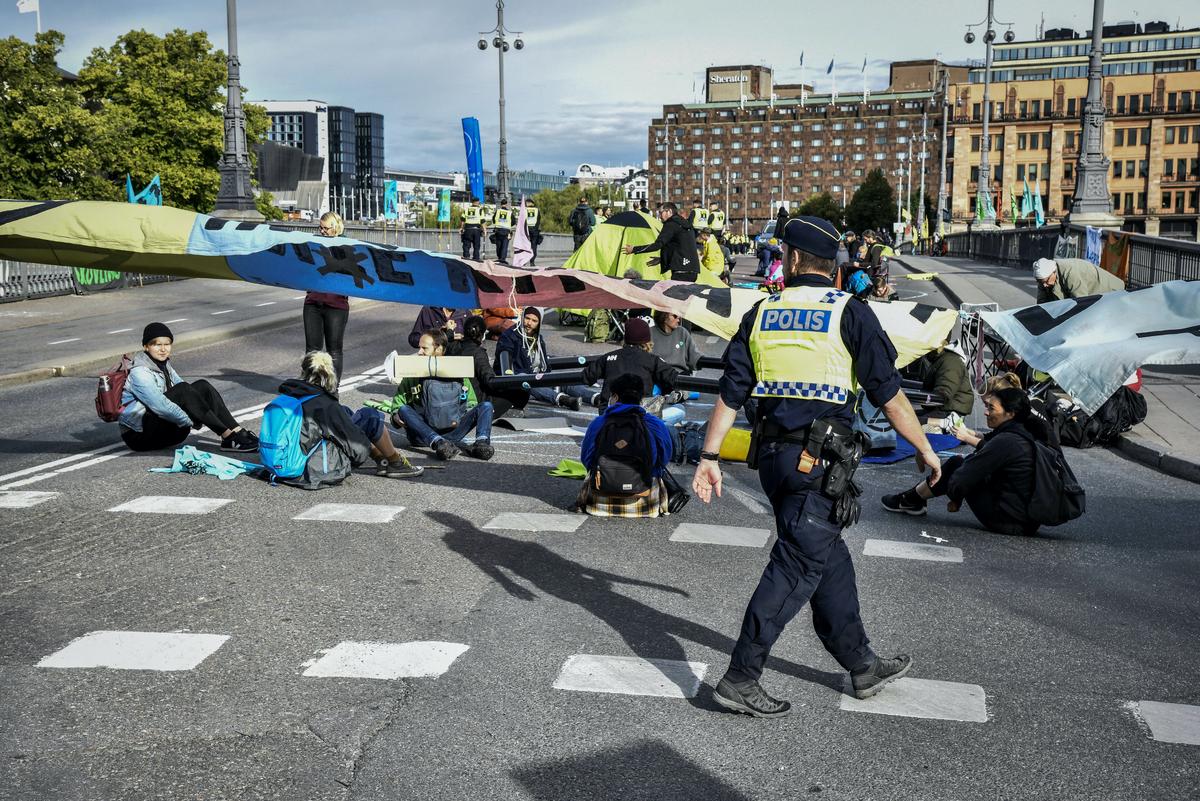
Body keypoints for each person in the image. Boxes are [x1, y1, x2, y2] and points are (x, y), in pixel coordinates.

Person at [690, 215, 943, 719]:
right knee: (797, 566)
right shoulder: (851, 312)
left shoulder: (762, 311)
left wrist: (710, 456)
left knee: (828, 559)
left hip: (772, 462)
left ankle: (862, 664)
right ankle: (741, 677)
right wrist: (924, 448)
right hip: (820, 463)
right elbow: (888, 395)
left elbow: (731, 391)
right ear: (831, 267)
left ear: (797, 260)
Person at [882, 388, 1049, 536]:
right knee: (965, 464)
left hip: (1009, 522)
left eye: (991, 408)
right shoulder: (1024, 432)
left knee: (957, 463)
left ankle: (908, 500)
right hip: (1028, 520)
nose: (985, 412)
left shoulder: (1007, 441)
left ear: (1010, 413)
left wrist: (956, 498)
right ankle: (912, 499)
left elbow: (963, 476)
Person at [119, 322, 259, 453]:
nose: (163, 349)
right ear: (146, 347)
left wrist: (197, 410)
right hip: (139, 436)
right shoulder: (140, 372)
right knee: (183, 390)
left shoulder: (163, 364)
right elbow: (160, 406)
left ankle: (238, 431)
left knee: (202, 386)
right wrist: (191, 420)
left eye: (167, 344)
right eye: (157, 345)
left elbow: (189, 391)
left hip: (163, 430)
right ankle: (228, 436)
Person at [283, 350, 422, 479]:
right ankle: (395, 462)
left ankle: (383, 461)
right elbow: (357, 449)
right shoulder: (324, 403)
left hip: (293, 454)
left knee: (344, 411)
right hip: (314, 463)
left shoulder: (293, 393)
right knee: (371, 416)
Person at [576, 374, 675, 518]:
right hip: (646, 503)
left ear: (614, 397)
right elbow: (664, 457)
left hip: (599, 501)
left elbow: (587, 458)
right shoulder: (654, 424)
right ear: (641, 399)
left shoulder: (599, 423)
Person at [390, 329, 494, 460]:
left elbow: (472, 403)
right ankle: (438, 442)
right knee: (403, 409)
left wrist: (455, 410)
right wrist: (395, 417)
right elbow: (397, 406)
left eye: (424, 348)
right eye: (419, 348)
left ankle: (481, 443)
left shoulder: (457, 371)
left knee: (486, 406)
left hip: (453, 431)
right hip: (422, 436)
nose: (419, 352)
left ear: (439, 349)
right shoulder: (413, 373)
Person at [494, 307, 598, 410]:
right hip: (518, 378)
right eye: (527, 318)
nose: (529, 323)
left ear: (539, 323)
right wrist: (509, 375)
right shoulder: (509, 336)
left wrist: (551, 379)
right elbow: (505, 356)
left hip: (535, 375)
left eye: (534, 320)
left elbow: (544, 366)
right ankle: (564, 400)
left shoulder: (539, 339)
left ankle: (596, 398)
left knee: (560, 380)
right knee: (528, 380)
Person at [581, 317, 679, 412]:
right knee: (679, 410)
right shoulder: (653, 360)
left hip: (608, 417)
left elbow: (586, 376)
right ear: (647, 340)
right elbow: (674, 379)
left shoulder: (608, 358)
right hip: (639, 419)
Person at [450, 315, 528, 420]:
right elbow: (489, 380)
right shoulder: (478, 353)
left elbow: (443, 340)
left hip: (455, 396)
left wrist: (450, 333)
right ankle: (500, 411)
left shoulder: (452, 347)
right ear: (482, 335)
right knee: (521, 391)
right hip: (476, 400)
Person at [304, 211, 350, 379]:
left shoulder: (346, 247)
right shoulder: (315, 245)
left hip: (336, 305)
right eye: (320, 228)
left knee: (334, 350)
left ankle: (333, 388)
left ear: (335, 227)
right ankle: (310, 385)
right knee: (312, 350)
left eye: (326, 228)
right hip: (313, 302)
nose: (322, 231)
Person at [622, 203, 701, 283]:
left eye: (660, 213)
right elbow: (681, 247)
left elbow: (658, 244)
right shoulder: (684, 224)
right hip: (693, 270)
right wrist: (662, 259)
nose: (659, 216)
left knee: (675, 294)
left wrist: (634, 249)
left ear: (669, 211)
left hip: (680, 270)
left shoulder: (671, 224)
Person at [905, 341, 974, 418]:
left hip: (947, 412)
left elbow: (944, 392)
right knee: (904, 416)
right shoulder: (942, 359)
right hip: (941, 408)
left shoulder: (950, 361)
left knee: (906, 420)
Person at [1033, 257, 1124, 304]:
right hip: (1093, 295)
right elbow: (1042, 303)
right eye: (1041, 282)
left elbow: (1081, 303)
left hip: (1111, 291)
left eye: (1046, 281)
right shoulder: (1044, 277)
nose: (1044, 285)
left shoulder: (1071, 273)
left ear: (1054, 272)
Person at [492, 198, 513, 263]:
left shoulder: (497, 211)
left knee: (498, 245)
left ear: (501, 204)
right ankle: (502, 259)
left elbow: (493, 219)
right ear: (506, 204)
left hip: (498, 230)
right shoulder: (510, 212)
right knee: (504, 246)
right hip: (506, 231)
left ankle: (499, 257)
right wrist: (508, 224)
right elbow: (514, 221)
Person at [524, 198, 541, 265]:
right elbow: (538, 220)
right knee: (533, 246)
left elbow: (522, 220)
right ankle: (532, 261)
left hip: (526, 230)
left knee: (525, 245)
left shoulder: (525, 210)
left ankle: (524, 261)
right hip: (534, 230)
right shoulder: (537, 210)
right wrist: (535, 228)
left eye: (527, 203)